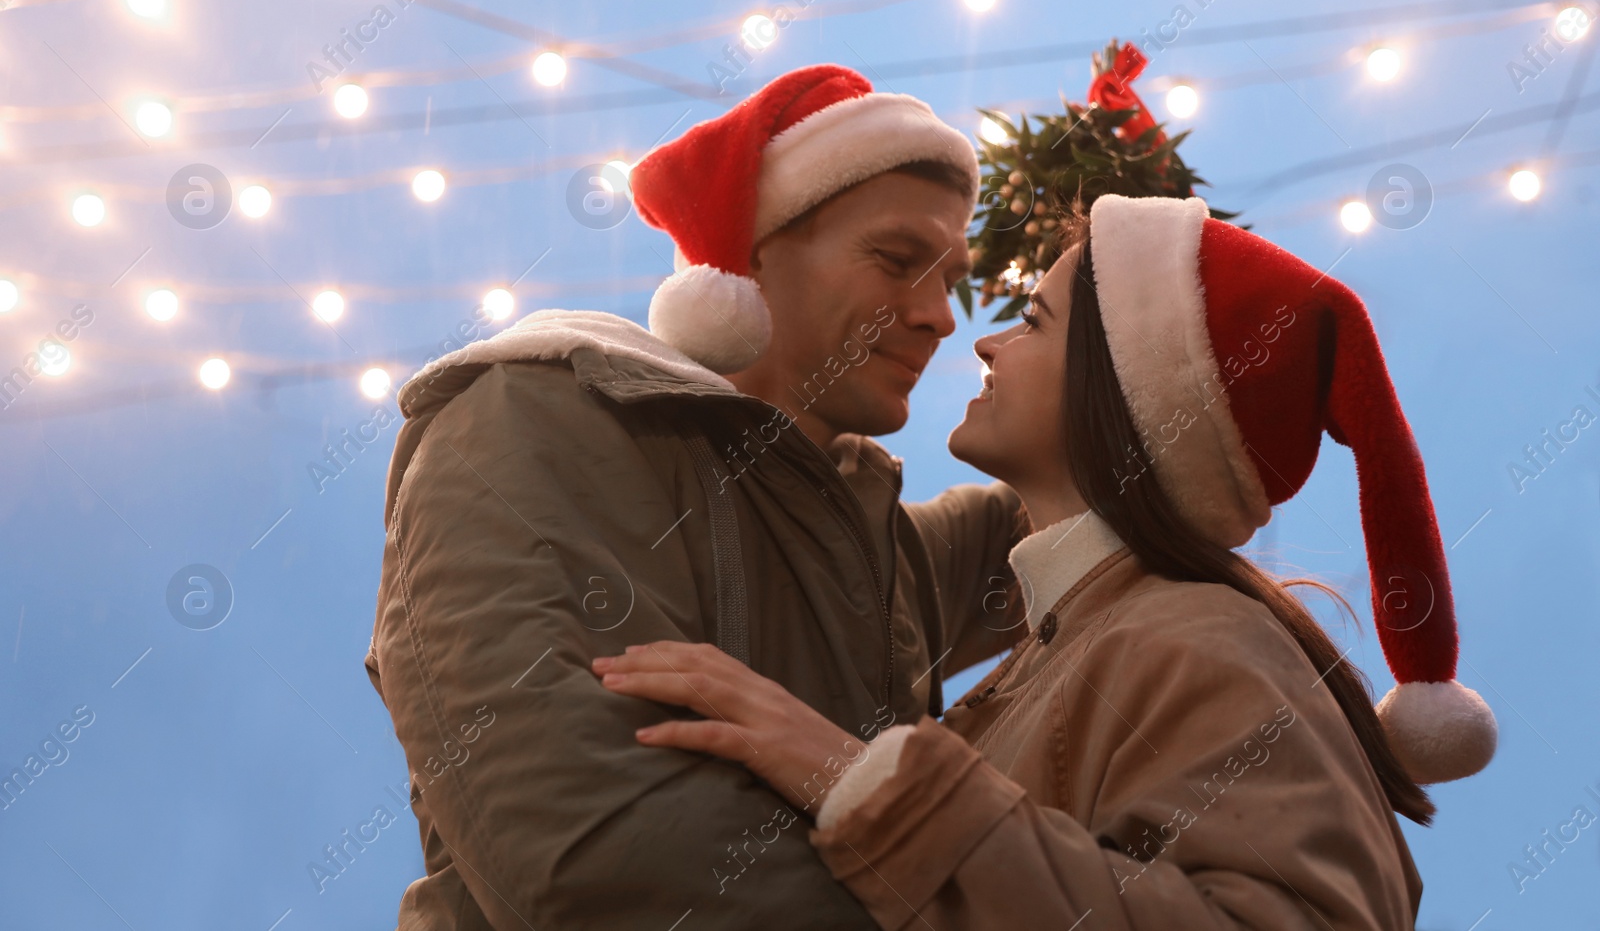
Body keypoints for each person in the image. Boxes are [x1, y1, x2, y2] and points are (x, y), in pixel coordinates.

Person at [594, 193, 1500, 929]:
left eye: (1032, 319)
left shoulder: (1198, 632)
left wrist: (862, 783)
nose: (984, 341)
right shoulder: (1070, 646)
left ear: (1126, 387)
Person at [364, 64, 1028, 929]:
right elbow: (591, 848)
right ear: (750, 253)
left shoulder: (876, 541)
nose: (943, 316)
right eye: (899, 261)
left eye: (952, 278)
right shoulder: (533, 418)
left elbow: (1087, 501)